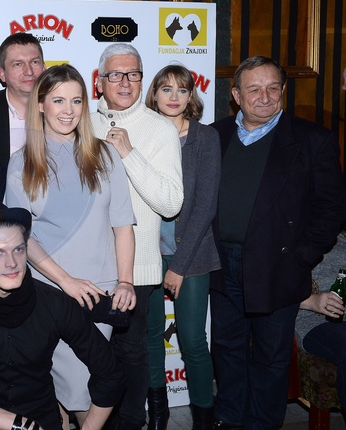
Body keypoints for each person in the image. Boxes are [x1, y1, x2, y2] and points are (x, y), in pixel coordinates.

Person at [210, 55, 346, 430]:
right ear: (236, 95)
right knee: (226, 347)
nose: (265, 97)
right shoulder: (214, 135)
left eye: (273, 88)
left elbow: (331, 210)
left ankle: (261, 424)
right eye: (254, 89)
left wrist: (299, 260)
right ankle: (229, 417)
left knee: (271, 356)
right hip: (221, 262)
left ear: (284, 90)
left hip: (278, 265)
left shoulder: (313, 140)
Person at [4, 63, 135, 427]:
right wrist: (65, 281)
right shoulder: (22, 163)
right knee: (53, 388)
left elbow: (123, 225)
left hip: (98, 290)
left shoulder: (106, 155)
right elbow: (21, 237)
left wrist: (126, 281)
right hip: (47, 290)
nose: (68, 110)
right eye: (58, 100)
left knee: (83, 385)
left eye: (76, 101)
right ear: (40, 104)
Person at [0, 198, 126, 430]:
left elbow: (110, 373)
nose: (11, 262)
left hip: (42, 421)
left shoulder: (53, 303)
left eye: (18, 250)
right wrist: (20, 426)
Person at [90, 43, 184, 430]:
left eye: (133, 74)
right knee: (89, 353)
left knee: (131, 353)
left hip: (139, 269)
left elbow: (170, 203)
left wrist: (129, 153)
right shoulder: (81, 122)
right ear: (99, 82)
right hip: (87, 264)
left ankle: (130, 423)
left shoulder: (160, 129)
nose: (125, 82)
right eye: (115, 74)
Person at [144, 64, 221, 430]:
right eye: (166, 89)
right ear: (154, 94)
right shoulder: (141, 133)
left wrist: (178, 266)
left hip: (191, 253)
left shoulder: (206, 137)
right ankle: (158, 416)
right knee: (150, 336)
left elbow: (206, 207)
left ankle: (204, 419)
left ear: (191, 95)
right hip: (145, 251)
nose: (174, 97)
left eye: (182, 89)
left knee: (192, 340)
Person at [0, 32, 45, 199]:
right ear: (2, 74)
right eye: (18, 64)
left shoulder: (61, 112)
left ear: (44, 68)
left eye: (34, 62)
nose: (29, 71)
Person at [297, 230, 346, 424]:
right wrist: (311, 301)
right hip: (313, 319)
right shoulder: (288, 236)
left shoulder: (340, 235)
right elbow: (270, 287)